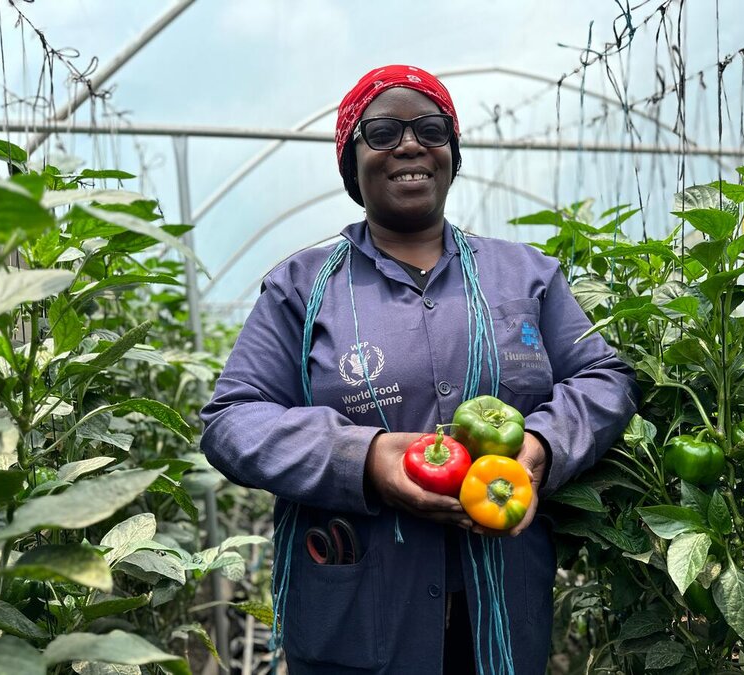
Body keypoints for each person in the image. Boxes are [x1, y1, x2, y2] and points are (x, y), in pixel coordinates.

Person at [200, 64, 639, 675]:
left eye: (430, 129)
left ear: (452, 154)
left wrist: (543, 445)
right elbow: (232, 421)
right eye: (380, 133)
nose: (409, 144)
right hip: (358, 613)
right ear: (351, 164)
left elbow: (604, 377)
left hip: (505, 608)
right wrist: (367, 460)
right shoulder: (300, 288)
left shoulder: (528, 275)